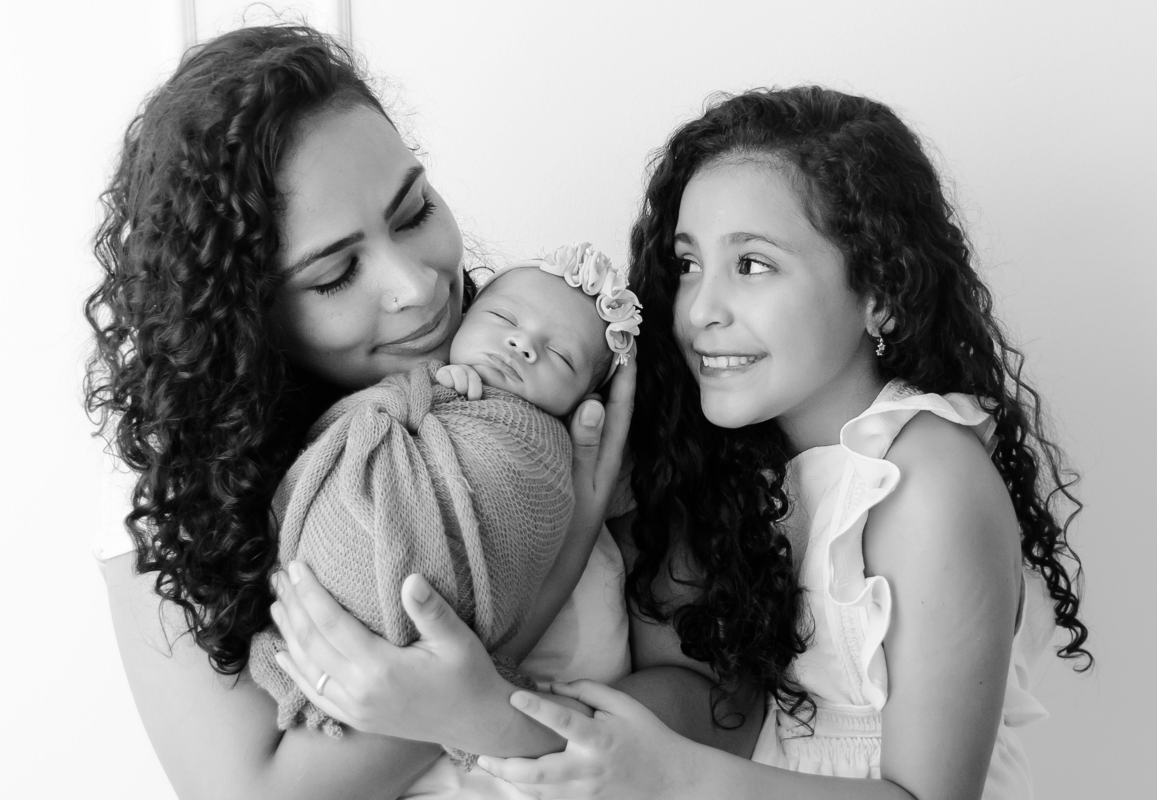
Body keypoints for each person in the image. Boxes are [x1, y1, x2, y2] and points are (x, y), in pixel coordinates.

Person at [274, 87, 1091, 800]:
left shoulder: (924, 477)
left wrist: (671, 778)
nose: (700, 309)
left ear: (880, 292)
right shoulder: (743, 473)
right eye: (689, 264)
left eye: (754, 266)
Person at [86, 25, 634, 800]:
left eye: (413, 212)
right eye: (337, 274)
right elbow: (250, 795)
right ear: (245, 316)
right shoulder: (172, 491)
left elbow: (709, 714)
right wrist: (557, 557)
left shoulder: (558, 361)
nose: (418, 286)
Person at [250, 245, 642, 754]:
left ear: (584, 402)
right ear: (467, 318)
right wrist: (427, 391)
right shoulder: (427, 382)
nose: (523, 344)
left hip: (454, 657)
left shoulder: (546, 450)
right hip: (333, 583)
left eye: (563, 356)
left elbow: (522, 525)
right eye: (504, 318)